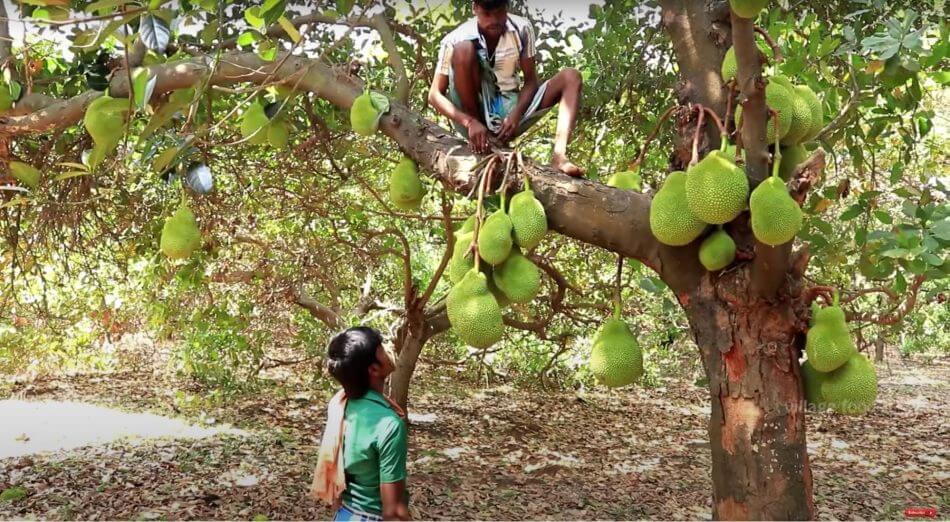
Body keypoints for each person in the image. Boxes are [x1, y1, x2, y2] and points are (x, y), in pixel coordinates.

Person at [427, 0, 585, 177]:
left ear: (506, 8)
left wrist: (516, 114)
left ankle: (559, 157)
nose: (494, 20)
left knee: (571, 76)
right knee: (464, 49)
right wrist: (469, 122)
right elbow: (434, 95)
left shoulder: (522, 28)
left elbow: (531, 81)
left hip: (510, 112)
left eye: (499, 12)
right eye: (487, 13)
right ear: (475, 8)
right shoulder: (454, 39)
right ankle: (480, 138)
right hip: (473, 115)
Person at [311, 327, 410, 521]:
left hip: (344, 515)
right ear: (373, 369)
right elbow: (393, 512)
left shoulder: (341, 404)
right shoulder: (388, 425)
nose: (387, 349)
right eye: (380, 348)